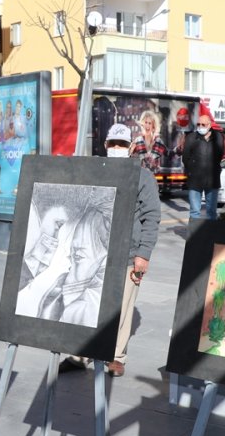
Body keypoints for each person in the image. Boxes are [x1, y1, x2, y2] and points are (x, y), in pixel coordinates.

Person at [58, 123, 160, 377]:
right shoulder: (95, 172)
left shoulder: (143, 177)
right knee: (86, 303)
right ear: (105, 145)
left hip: (127, 254)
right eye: (113, 143)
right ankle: (80, 354)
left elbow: (151, 216)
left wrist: (143, 255)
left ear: (131, 147)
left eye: (122, 144)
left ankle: (116, 357)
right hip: (94, 253)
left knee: (122, 309)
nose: (116, 148)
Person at [182, 110, 225, 220]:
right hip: (195, 180)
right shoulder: (191, 137)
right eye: (198, 124)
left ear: (209, 125)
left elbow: (220, 155)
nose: (200, 127)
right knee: (194, 212)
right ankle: (194, 231)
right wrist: (192, 171)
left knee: (211, 212)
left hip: (212, 180)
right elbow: (185, 158)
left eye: (203, 124)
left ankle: (209, 231)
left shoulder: (218, 137)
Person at [131, 110, 168, 174]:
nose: (147, 125)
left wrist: (179, 148)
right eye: (145, 122)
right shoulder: (138, 141)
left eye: (149, 123)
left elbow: (169, 154)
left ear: (153, 126)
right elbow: (128, 156)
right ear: (142, 124)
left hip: (155, 177)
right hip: (141, 177)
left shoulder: (158, 142)